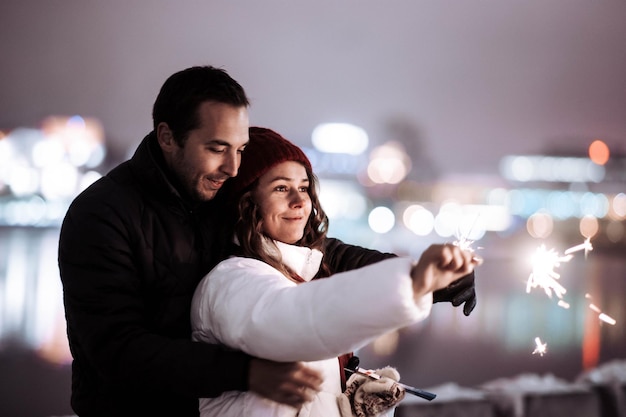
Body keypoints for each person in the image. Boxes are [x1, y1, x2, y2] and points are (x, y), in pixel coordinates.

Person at [58, 65, 477, 417]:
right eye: (217, 148)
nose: (232, 166)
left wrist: (422, 277)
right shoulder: (102, 215)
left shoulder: (214, 195)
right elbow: (116, 349)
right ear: (167, 137)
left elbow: (320, 256)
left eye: (239, 149)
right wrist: (244, 372)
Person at [190, 127, 481, 417]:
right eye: (281, 188)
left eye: (304, 187)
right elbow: (300, 322)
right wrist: (414, 283)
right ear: (245, 203)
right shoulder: (229, 281)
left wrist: (353, 401)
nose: (300, 201)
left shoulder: (302, 268)